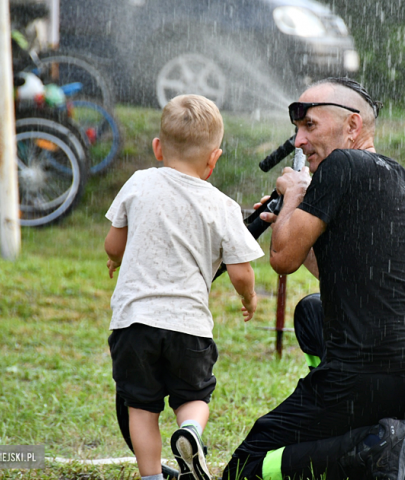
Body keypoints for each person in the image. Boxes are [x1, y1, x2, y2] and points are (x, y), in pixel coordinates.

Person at [222, 77, 405, 480]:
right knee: (313, 312)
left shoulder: (340, 165)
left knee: (247, 468)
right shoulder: (400, 177)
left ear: (352, 127)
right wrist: (290, 220)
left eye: (310, 126)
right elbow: (334, 265)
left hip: (371, 371)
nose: (298, 141)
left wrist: (293, 197)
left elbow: (282, 260)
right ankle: (366, 431)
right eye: (297, 129)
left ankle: (370, 448)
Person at [104, 94, 264, 480]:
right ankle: (190, 430)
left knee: (140, 407)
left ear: (158, 148)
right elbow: (240, 272)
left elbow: (113, 243)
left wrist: (115, 257)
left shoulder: (139, 182)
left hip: (133, 324)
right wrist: (249, 297)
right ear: (214, 159)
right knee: (193, 397)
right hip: (188, 327)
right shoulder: (222, 205)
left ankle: (151, 476)